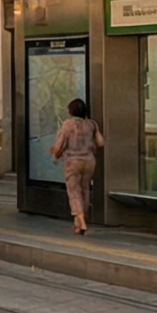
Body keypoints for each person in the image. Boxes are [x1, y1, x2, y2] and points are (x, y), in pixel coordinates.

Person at [49, 98, 104, 236]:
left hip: (72, 162)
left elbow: (59, 145)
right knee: (85, 189)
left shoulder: (68, 124)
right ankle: (79, 224)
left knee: (73, 191)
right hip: (89, 161)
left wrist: (54, 153)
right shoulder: (92, 124)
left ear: (71, 111)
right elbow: (101, 142)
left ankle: (81, 220)